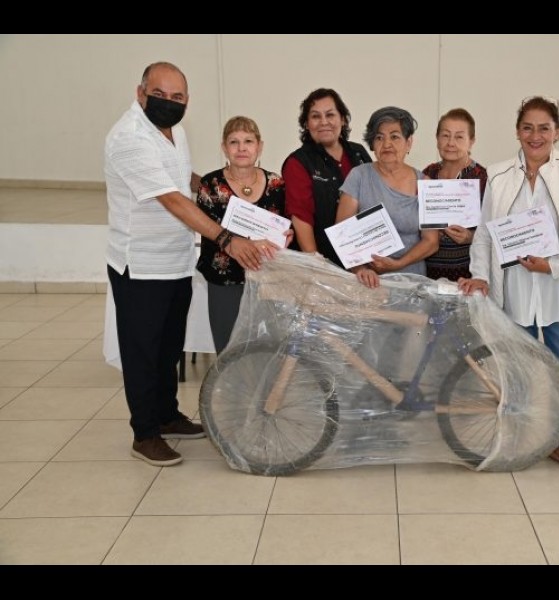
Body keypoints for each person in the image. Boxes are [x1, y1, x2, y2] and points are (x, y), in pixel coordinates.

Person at [105, 62, 274, 467]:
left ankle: (166, 415)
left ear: (187, 101)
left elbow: (181, 180)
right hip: (142, 265)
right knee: (143, 352)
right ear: (141, 93)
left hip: (177, 260)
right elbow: (171, 198)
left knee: (168, 347)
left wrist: (216, 185)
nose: (169, 102)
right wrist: (227, 238)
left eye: (177, 97)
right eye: (159, 95)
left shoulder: (173, 130)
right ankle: (145, 433)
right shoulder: (130, 138)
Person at [458, 96, 559, 475]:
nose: (535, 136)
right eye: (527, 128)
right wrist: (481, 275)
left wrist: (552, 265)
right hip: (514, 292)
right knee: (516, 374)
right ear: (517, 132)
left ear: (558, 132)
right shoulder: (499, 175)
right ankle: (519, 441)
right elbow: (485, 235)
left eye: (544, 128)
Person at [196, 115, 292, 354]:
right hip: (225, 282)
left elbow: (288, 224)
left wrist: (288, 237)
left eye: (248, 141)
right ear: (224, 148)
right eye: (234, 142)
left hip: (268, 280)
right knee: (229, 351)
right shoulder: (211, 184)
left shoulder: (277, 184)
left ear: (259, 146)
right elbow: (208, 230)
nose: (241, 148)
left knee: (266, 351)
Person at [336, 106, 438, 288]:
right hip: (368, 283)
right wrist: (360, 269)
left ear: (408, 142)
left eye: (395, 136)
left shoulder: (424, 183)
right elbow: (342, 234)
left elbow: (431, 242)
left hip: (412, 282)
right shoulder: (358, 176)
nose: (387, 144)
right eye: (379, 137)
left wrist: (398, 264)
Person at [283, 88, 372, 268]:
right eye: (315, 116)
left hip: (364, 260)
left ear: (343, 119)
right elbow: (301, 217)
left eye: (330, 115)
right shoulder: (297, 162)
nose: (324, 122)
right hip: (323, 262)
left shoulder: (359, 153)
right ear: (306, 124)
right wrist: (317, 265)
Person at [422, 108, 488, 281]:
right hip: (427, 274)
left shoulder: (483, 178)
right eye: (445, 135)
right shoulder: (428, 174)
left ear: (471, 141)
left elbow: (494, 231)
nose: (450, 143)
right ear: (437, 139)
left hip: (468, 276)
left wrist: (470, 237)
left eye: (459, 137)